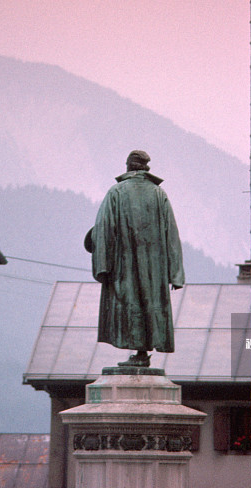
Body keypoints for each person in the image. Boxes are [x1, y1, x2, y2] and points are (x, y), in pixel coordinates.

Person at [85, 150, 184, 367]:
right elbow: (172, 236)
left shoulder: (116, 193)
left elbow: (103, 231)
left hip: (124, 268)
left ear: (129, 166)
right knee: (148, 305)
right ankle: (141, 352)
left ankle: (140, 352)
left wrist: (103, 266)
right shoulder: (159, 195)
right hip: (154, 270)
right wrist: (175, 274)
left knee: (130, 304)